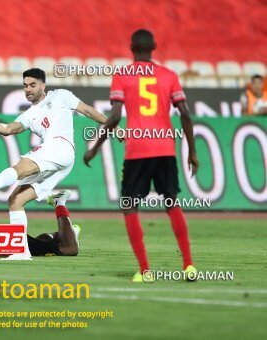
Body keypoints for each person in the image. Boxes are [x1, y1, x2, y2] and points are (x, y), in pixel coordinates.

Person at [84, 29, 198, 282]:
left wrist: (95, 147)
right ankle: (189, 265)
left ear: (131, 48)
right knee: (172, 202)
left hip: (137, 150)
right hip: (165, 149)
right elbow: (186, 115)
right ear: (154, 46)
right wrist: (192, 151)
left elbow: (114, 117)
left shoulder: (122, 75)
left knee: (129, 206)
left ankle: (146, 270)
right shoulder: (169, 75)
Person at [0, 68, 108, 260]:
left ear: (43, 85)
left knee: (20, 167)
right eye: (25, 86)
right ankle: (22, 252)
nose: (28, 89)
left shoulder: (61, 96)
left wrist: (113, 126)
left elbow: (87, 110)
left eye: (32, 85)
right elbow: (10, 128)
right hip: (58, 160)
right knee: (15, 200)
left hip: (60, 147)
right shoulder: (29, 114)